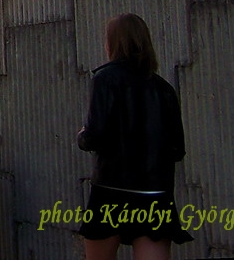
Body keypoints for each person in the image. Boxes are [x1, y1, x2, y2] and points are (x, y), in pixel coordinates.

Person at [77, 14, 191, 260]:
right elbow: (176, 149)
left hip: (111, 188)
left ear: (113, 43)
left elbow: (95, 135)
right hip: (154, 192)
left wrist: (82, 137)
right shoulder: (164, 89)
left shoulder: (104, 79)